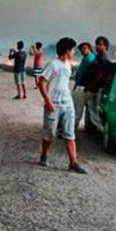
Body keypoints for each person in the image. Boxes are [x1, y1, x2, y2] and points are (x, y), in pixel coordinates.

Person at [37, 37, 88, 174]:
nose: (73, 52)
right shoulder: (53, 64)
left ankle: (73, 162)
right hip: (53, 104)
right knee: (50, 134)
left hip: (67, 103)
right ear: (67, 50)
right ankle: (44, 154)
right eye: (72, 50)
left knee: (69, 133)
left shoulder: (68, 64)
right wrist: (48, 101)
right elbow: (41, 83)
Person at [83, 36, 113, 129]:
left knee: (95, 109)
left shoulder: (104, 59)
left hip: (96, 89)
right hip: (94, 88)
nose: (98, 46)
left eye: (101, 45)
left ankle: (100, 128)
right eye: (97, 44)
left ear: (106, 46)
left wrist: (91, 86)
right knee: (93, 109)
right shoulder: (98, 57)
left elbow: (100, 75)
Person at [71, 42, 95, 134]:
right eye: (81, 49)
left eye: (84, 48)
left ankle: (71, 132)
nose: (82, 50)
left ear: (89, 48)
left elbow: (82, 75)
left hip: (82, 87)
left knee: (77, 111)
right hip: (82, 86)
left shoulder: (89, 59)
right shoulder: (87, 59)